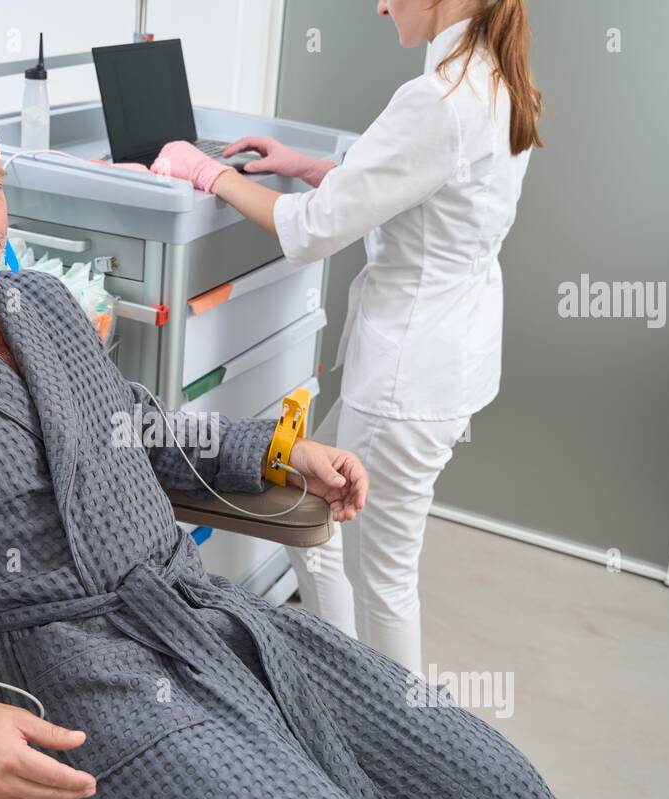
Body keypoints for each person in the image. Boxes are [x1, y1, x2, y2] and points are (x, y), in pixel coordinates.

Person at [0, 86, 570, 799]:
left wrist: (272, 450)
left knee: (498, 794)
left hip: (203, 619)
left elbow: (133, 423)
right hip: (76, 682)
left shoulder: (38, 304)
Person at [151, 0, 542, 676]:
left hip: (408, 378)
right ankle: (338, 675)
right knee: (309, 510)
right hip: (447, 353)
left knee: (383, 574)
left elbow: (313, 230)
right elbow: (409, 192)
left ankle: (406, 741)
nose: (381, 4)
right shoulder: (492, 78)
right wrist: (304, 166)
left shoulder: (439, 98)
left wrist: (206, 172)